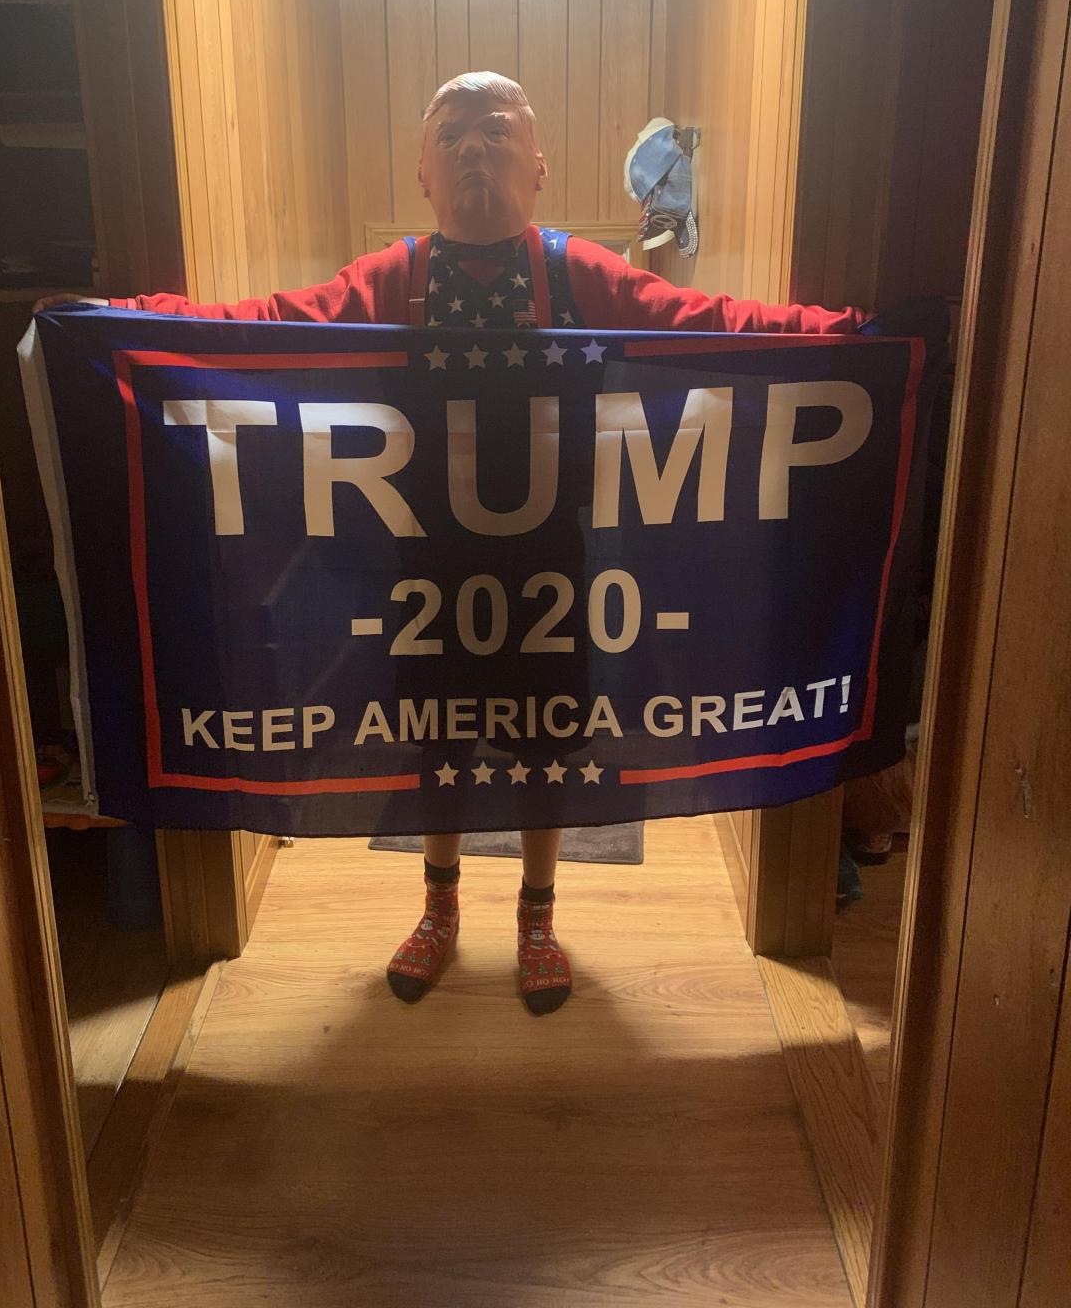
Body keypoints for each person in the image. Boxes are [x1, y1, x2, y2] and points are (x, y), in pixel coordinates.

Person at [42, 70, 864, 1016]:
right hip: (424, 556)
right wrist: (126, 322)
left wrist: (846, 337)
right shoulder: (391, 278)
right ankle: (438, 906)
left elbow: (713, 327)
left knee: (549, 736)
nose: (476, 145)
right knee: (435, 733)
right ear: (424, 174)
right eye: (453, 131)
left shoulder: (581, 272)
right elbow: (260, 329)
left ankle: (538, 915)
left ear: (539, 164)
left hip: (556, 557)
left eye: (497, 127)